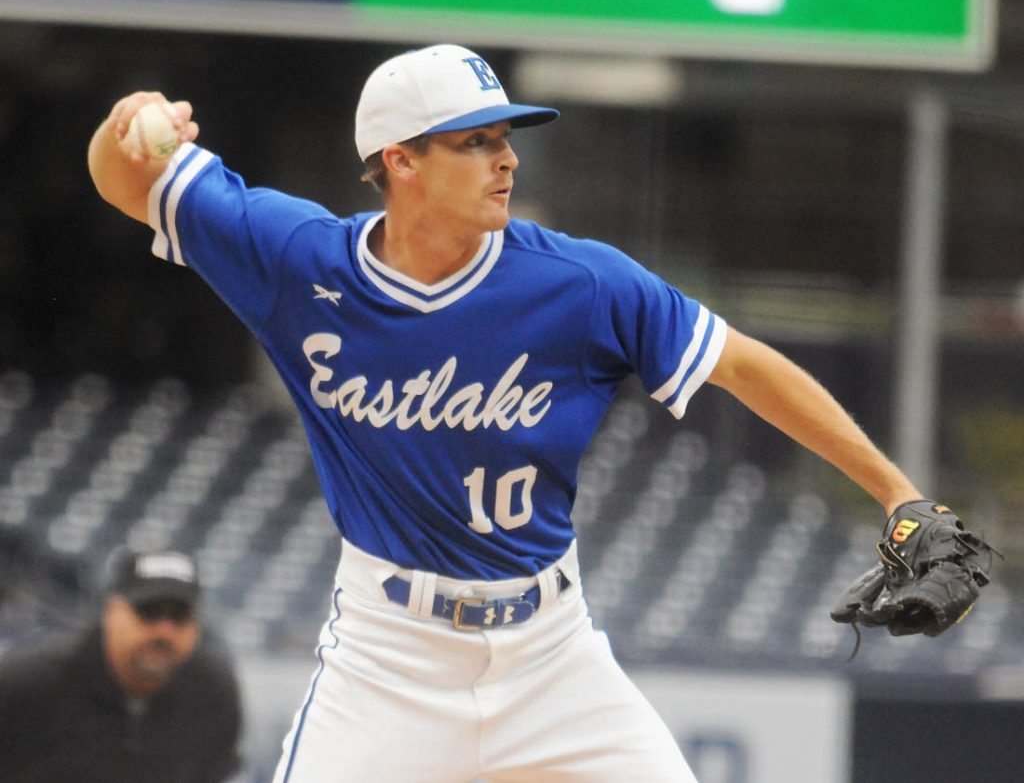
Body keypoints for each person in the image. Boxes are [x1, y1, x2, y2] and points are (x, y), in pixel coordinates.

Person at [87, 44, 922, 782]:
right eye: (474, 141)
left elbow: (746, 365)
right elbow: (126, 181)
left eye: (505, 138)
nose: (505, 160)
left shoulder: (580, 283)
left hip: (551, 652)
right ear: (401, 161)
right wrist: (126, 121)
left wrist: (895, 493)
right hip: (389, 658)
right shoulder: (294, 257)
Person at [0, 547, 243, 783]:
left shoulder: (211, 689)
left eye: (180, 617)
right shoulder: (29, 683)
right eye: (148, 612)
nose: (164, 631)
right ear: (111, 612)